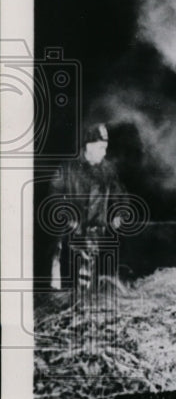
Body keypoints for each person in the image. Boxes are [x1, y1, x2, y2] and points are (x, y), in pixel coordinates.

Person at [48, 123, 125, 291]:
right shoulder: (68, 168)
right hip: (72, 234)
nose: (104, 152)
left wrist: (119, 213)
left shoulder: (108, 169)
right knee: (70, 284)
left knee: (92, 284)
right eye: (100, 148)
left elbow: (120, 193)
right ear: (88, 146)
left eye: (105, 148)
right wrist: (67, 218)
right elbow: (54, 195)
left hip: (96, 235)